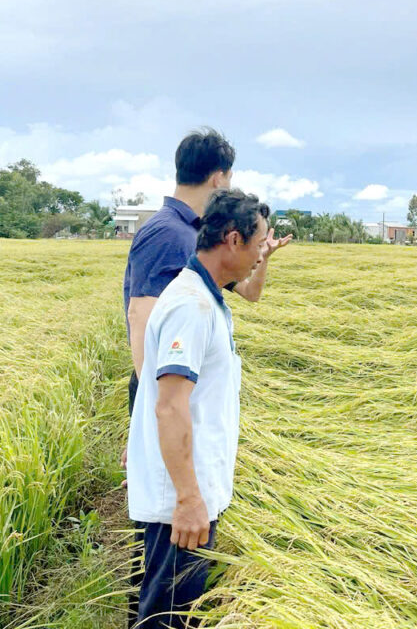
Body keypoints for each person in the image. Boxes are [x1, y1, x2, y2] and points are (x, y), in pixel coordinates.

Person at [127, 189, 269, 628]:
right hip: (180, 502)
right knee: (166, 617)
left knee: (174, 610)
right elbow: (169, 408)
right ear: (233, 239)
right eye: (259, 243)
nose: (260, 255)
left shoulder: (208, 297)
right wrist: (189, 499)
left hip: (191, 493)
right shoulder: (191, 306)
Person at [123, 127, 291, 418]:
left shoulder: (199, 233)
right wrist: (154, 410)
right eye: (229, 178)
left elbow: (250, 293)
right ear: (218, 177)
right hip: (163, 388)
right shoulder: (167, 232)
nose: (228, 185)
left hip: (180, 383)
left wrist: (262, 257)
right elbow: (139, 316)